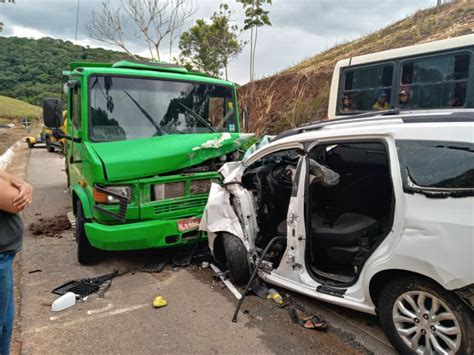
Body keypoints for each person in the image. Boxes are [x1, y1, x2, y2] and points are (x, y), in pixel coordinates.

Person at [0, 171, 32, 355]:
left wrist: (20, 182)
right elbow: (15, 201)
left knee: (5, 326)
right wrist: (22, 187)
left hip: (5, 256)